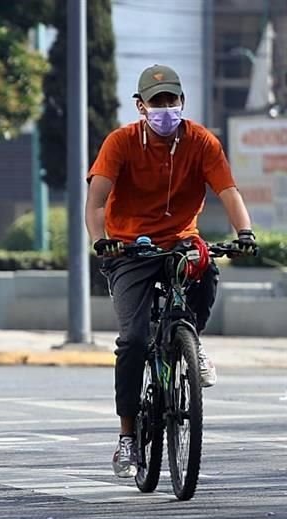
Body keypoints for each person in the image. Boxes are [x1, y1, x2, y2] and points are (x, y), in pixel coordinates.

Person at [85, 64, 256, 478]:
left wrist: (245, 231)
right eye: (157, 102)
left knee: (207, 270)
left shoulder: (201, 142)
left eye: (172, 101)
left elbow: (228, 191)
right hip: (130, 247)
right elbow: (95, 204)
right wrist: (101, 240)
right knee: (134, 340)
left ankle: (190, 342)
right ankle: (128, 435)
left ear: (183, 102)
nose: (166, 109)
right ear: (141, 106)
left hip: (180, 239)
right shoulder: (120, 143)